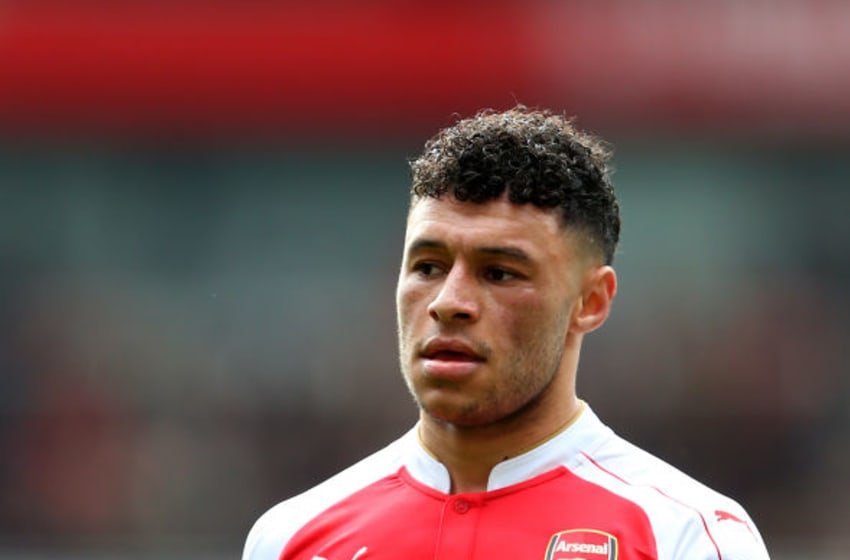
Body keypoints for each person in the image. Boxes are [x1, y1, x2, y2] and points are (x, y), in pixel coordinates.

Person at [243, 106, 770, 560]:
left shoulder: (685, 536)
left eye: (499, 273)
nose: (449, 302)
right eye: (428, 267)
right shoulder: (291, 538)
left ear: (591, 301)